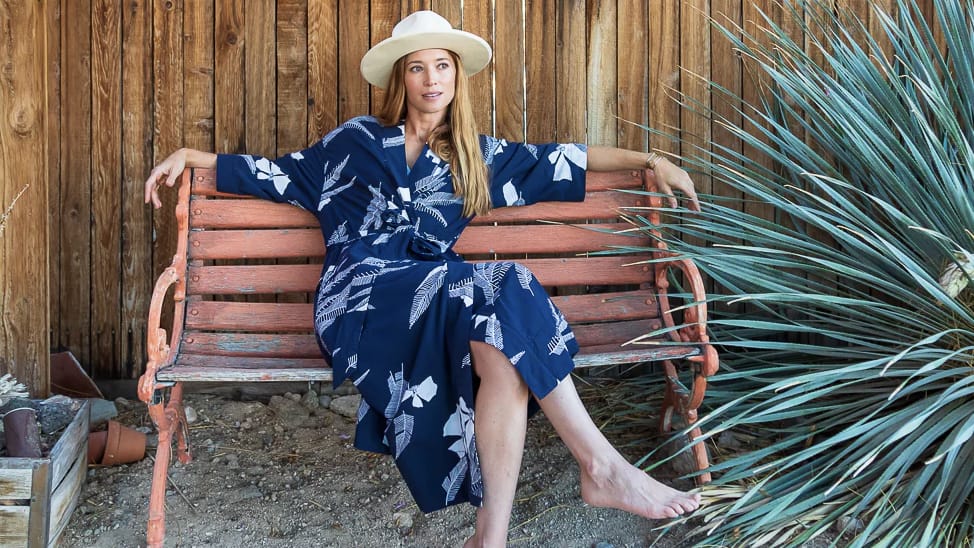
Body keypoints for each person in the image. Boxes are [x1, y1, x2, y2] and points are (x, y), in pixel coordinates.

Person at [145, 10, 701, 547]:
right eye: (417, 67)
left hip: (438, 295)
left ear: (457, 75)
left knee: (501, 346)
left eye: (442, 66)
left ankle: (491, 537)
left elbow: (566, 161)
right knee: (505, 286)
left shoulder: (475, 159)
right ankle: (600, 466)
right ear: (401, 78)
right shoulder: (355, 142)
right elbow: (279, 173)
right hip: (360, 298)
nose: (431, 79)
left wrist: (652, 161)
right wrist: (193, 156)